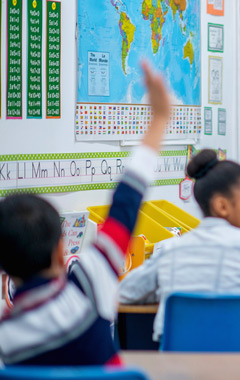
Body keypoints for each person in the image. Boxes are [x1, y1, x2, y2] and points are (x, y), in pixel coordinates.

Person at [0, 62, 171, 365]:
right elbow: (126, 204)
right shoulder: (89, 287)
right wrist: (159, 119)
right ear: (61, 251)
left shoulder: (7, 337)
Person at [118, 149, 240, 342]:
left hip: (177, 362)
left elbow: (124, 292)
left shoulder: (171, 249)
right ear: (222, 206)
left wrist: (166, 292)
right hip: (236, 357)